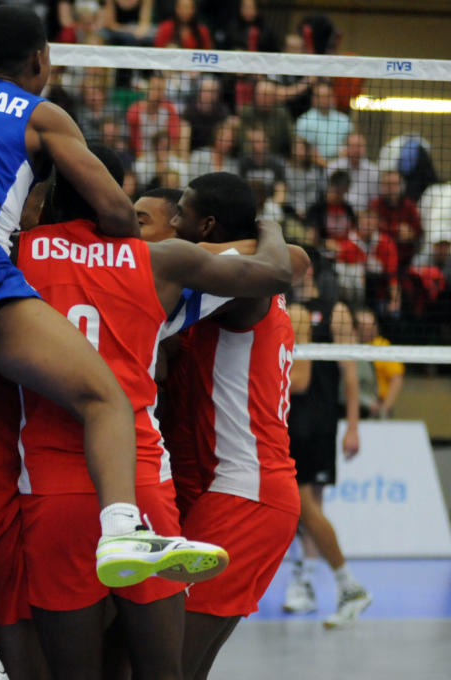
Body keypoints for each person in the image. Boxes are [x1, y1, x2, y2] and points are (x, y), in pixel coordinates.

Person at [0, 11, 227, 678]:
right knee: (104, 396)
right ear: (40, 59)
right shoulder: (39, 113)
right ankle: (123, 529)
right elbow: (118, 211)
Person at [17, 159, 293, 680]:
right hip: (146, 478)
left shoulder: (18, 252)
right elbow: (286, 261)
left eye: (150, 217)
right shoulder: (155, 265)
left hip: (69, 482)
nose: (135, 222)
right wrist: (265, 230)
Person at [160, 173, 302, 679]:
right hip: (250, 493)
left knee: (161, 662)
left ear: (208, 225)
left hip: (246, 495)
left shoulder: (241, 286)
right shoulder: (249, 274)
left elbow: (292, 262)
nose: (173, 224)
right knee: (184, 665)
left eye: (181, 215)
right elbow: (295, 257)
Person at [284, 251, 372, 629]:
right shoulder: (288, 307)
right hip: (293, 419)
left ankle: (338, 584)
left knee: (305, 506)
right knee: (308, 508)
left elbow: (350, 373)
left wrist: (352, 426)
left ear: (309, 268)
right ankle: (305, 583)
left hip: (315, 421)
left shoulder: (335, 311)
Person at [355, 307, 404, 419]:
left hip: (378, 406)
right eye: (363, 326)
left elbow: (397, 378)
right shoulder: (347, 348)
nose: (368, 329)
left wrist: (384, 408)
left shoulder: (383, 346)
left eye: (371, 325)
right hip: (353, 405)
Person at [295, 81, 351, 162]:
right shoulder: (304, 121)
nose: (324, 100)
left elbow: (349, 145)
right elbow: (300, 148)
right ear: (314, 99)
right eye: (321, 97)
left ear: (333, 97)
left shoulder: (344, 120)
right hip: (311, 165)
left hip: (339, 164)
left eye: (327, 96)